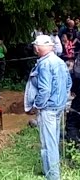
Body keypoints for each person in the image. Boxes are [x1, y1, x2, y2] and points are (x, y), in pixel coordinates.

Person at [24, 35, 72, 180]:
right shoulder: (60, 61)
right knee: (53, 140)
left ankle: (52, 176)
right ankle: (50, 172)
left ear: (41, 47)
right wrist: (62, 100)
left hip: (48, 109)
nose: (35, 48)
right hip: (58, 107)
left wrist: (38, 105)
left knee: (48, 143)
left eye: (36, 46)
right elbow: (69, 83)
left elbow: (44, 90)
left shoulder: (45, 64)